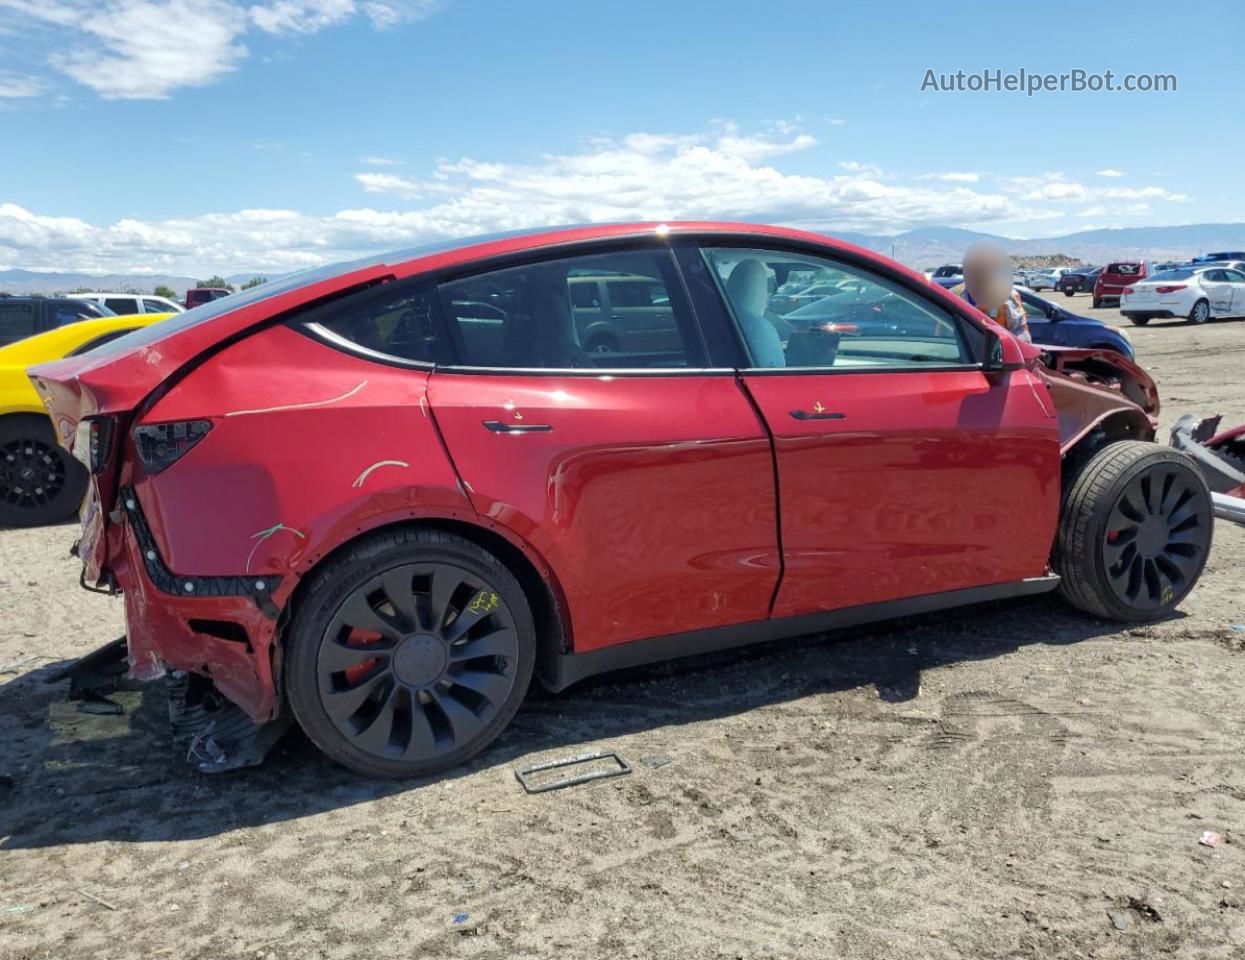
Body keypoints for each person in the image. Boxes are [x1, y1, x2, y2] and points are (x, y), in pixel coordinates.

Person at [953, 241, 1031, 342]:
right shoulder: (953, 296)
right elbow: (941, 336)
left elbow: (1022, 333)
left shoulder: (1008, 296)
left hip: (999, 355)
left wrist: (1004, 346)